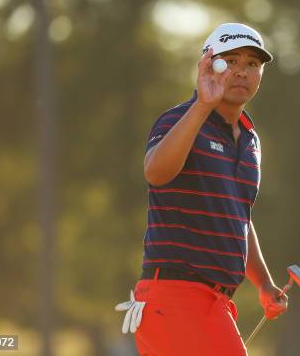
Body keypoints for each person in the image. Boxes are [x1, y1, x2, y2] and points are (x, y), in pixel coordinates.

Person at [116, 23, 288, 355]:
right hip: (175, 295)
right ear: (209, 66)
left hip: (215, 301)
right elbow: (155, 172)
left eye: (252, 64)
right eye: (231, 61)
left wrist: (264, 284)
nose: (242, 72)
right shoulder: (178, 120)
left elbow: (239, 215)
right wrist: (202, 106)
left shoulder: (250, 139)